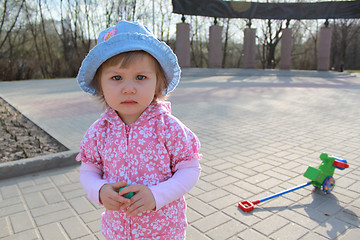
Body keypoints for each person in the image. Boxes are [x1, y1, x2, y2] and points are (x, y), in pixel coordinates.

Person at [76, 21, 202, 239]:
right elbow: (89, 171)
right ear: (100, 85)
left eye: (141, 77)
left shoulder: (168, 128)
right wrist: (98, 190)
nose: (129, 88)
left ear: (158, 83)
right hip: (117, 231)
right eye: (116, 78)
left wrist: (157, 194)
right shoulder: (99, 132)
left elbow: (190, 169)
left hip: (164, 231)